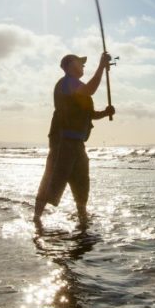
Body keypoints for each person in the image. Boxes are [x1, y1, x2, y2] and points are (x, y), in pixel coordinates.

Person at [34, 52, 115, 227]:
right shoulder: (67, 83)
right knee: (53, 178)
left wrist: (105, 113)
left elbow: (90, 114)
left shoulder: (77, 86)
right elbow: (90, 90)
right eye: (81, 63)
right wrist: (101, 66)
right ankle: (36, 218)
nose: (83, 66)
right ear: (70, 65)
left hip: (77, 143)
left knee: (81, 180)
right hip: (62, 141)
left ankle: (82, 217)